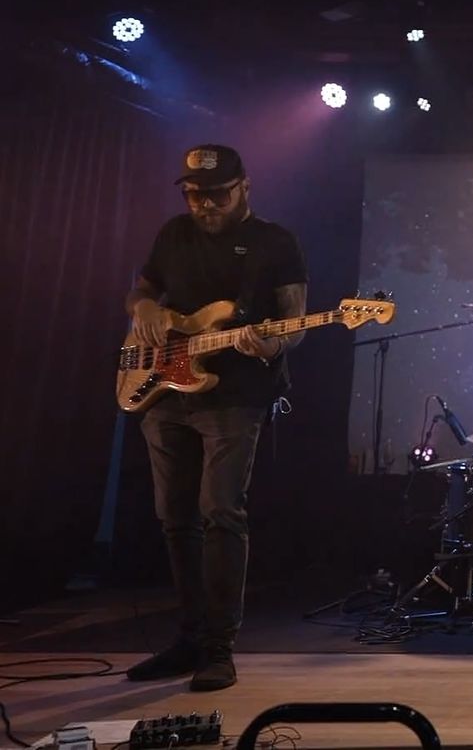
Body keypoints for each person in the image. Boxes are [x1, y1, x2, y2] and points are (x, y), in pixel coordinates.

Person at [125, 144, 307, 692]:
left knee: (221, 511)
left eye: (217, 195)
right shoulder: (173, 233)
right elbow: (142, 290)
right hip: (164, 392)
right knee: (174, 517)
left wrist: (270, 345)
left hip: (235, 396)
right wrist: (145, 308)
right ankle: (190, 638)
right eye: (194, 194)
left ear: (245, 186)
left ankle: (219, 649)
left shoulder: (276, 242)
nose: (204, 205)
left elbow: (295, 324)